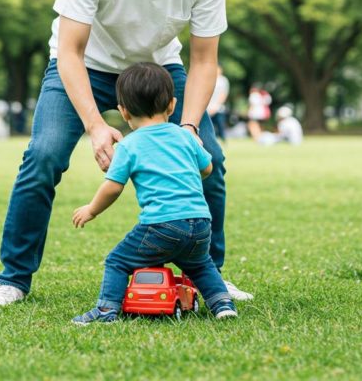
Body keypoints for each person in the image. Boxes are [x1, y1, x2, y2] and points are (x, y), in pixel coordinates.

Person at [0, 0, 252, 308]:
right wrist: (94, 124)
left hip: (157, 71)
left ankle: (210, 276)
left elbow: (204, 60)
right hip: (86, 67)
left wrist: (186, 129)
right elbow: (69, 51)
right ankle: (13, 279)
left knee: (212, 160)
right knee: (44, 156)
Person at [70, 63, 237, 324]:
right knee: (201, 264)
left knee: (117, 261)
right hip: (201, 222)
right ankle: (222, 303)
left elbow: (113, 186)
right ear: (172, 105)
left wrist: (91, 209)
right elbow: (208, 168)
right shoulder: (186, 136)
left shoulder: (129, 145)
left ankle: (106, 311)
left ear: (123, 112)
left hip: (161, 225)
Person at [206, 65, 230, 141]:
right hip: (208, 107)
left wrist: (217, 106)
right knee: (210, 125)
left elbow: (224, 94)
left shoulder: (223, 80)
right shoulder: (209, 79)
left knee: (220, 124)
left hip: (218, 107)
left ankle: (223, 139)